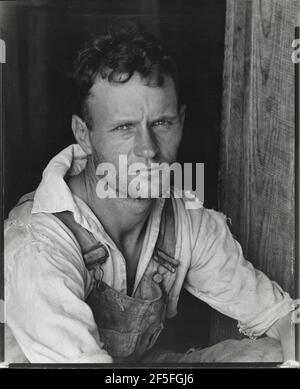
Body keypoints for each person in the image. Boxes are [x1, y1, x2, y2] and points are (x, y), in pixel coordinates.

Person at [4, 23, 297, 364]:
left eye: (161, 123)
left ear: (181, 121)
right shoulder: (38, 243)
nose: (148, 149)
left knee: (273, 354)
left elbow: (282, 317)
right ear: (83, 134)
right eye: (124, 127)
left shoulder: (185, 217)